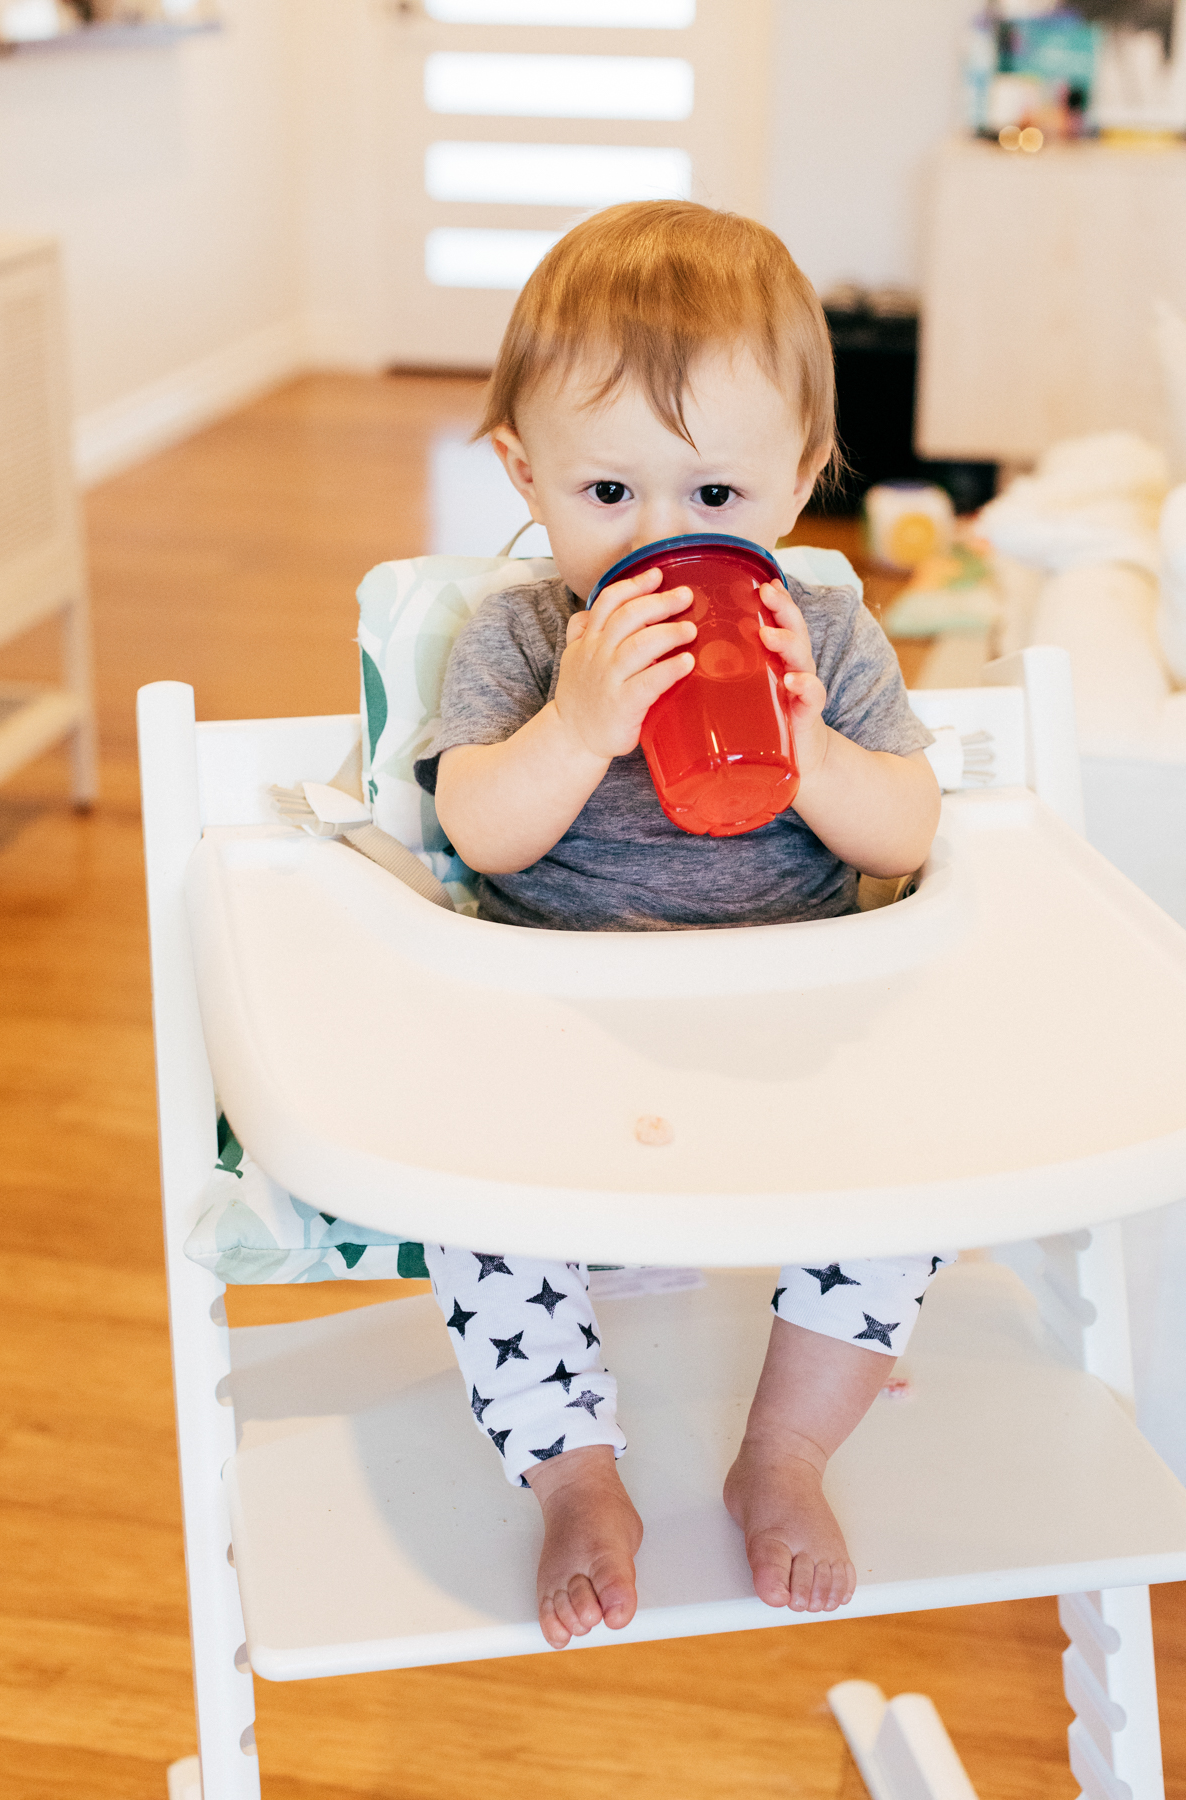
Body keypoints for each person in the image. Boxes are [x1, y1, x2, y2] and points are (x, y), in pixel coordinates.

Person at [413, 200, 945, 1651]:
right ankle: (577, 1477)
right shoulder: (524, 638)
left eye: (714, 499)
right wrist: (577, 728)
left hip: (795, 1033)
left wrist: (823, 752)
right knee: (475, 1217)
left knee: (913, 1191)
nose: (661, 544)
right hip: (568, 1039)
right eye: (607, 498)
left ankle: (786, 1454)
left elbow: (911, 829)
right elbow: (480, 827)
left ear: (801, 479)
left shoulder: (824, 632)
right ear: (525, 473)